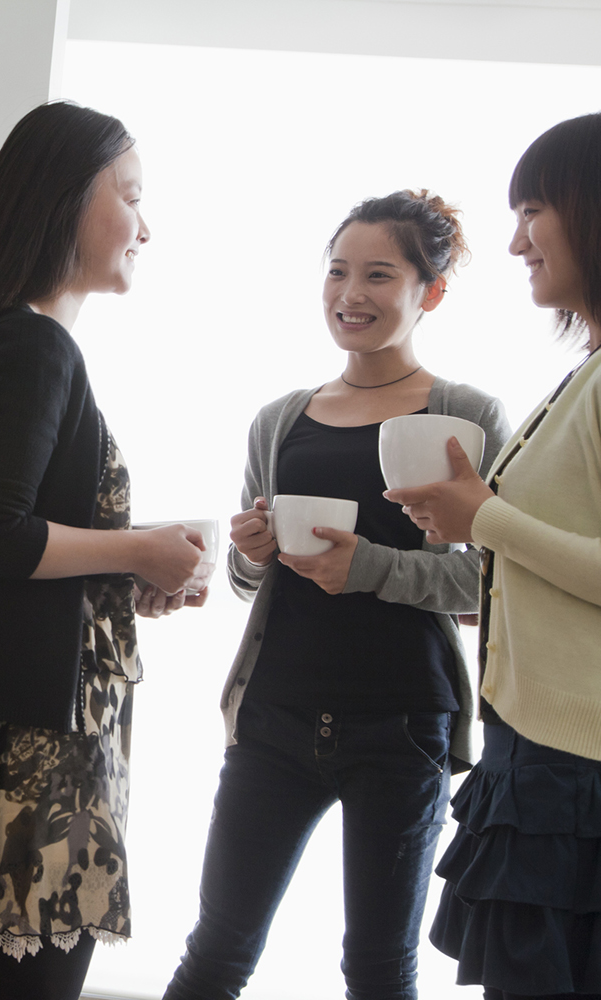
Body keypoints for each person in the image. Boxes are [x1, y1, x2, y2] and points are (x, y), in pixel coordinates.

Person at [162, 190, 512, 1000]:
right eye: (337, 272)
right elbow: (257, 582)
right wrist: (250, 555)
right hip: (274, 718)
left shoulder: (465, 416)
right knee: (216, 952)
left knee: (379, 972)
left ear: (431, 291)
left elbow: (495, 579)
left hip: (403, 725)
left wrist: (373, 569)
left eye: (378, 276)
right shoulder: (280, 420)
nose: (349, 295)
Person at [0, 101, 207, 1000]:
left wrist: (136, 565)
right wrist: (135, 549)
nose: (146, 225)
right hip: (42, 751)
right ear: (65, 198)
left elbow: (17, 538)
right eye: (131, 195)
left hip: (47, 738)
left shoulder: (29, 342)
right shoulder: (34, 347)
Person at [386, 113, 601, 1000]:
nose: (516, 240)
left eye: (534, 210)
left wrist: (489, 522)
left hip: (586, 775)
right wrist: (478, 528)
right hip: (551, 755)